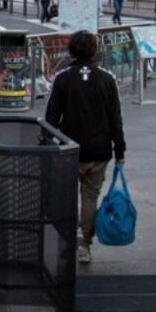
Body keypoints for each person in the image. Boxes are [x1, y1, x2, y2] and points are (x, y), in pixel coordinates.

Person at [45, 30, 126, 264]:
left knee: (66, 196)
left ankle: (65, 242)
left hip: (69, 150)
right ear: (94, 51)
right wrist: (119, 150)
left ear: (71, 50)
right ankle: (85, 245)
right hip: (99, 150)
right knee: (90, 197)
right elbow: (115, 119)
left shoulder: (62, 78)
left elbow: (51, 117)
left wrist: (47, 145)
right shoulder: (107, 79)